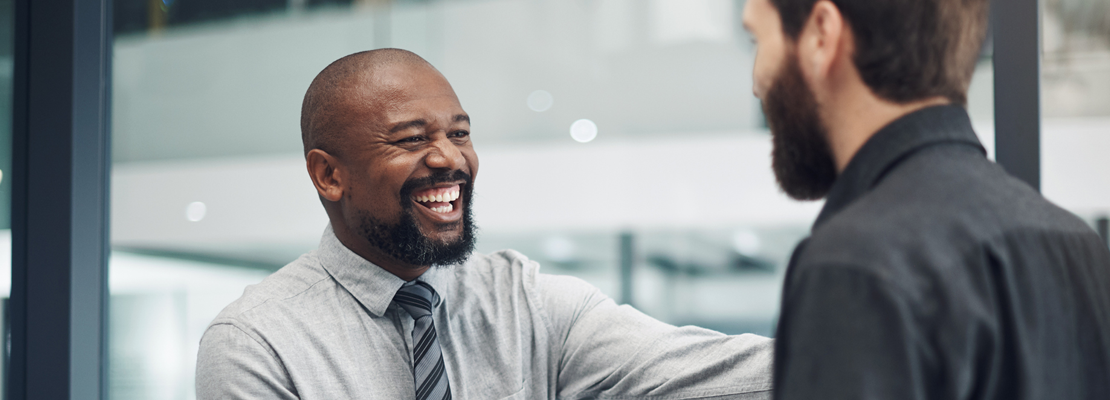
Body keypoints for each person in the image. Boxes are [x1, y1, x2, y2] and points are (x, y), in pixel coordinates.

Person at [195, 49, 773, 399]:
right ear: (328, 176)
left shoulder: (525, 303)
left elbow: (705, 371)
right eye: (412, 139)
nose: (450, 158)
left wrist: (853, 343)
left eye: (460, 133)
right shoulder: (256, 344)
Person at [741, 0, 1110, 399]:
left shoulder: (854, 266)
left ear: (821, 33)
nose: (756, 82)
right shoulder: (1079, 249)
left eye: (758, 40)